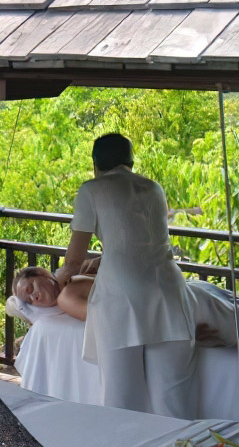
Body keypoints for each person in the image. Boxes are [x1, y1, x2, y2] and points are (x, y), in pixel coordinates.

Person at [53, 133, 196, 416]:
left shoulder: (91, 190)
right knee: (174, 403)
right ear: (130, 161)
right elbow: (138, 242)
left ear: (95, 164)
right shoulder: (154, 188)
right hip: (169, 292)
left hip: (121, 298)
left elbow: (73, 260)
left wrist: (54, 281)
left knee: (121, 402)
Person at [11, 266, 239, 348]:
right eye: (28, 300)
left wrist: (183, 333)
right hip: (191, 291)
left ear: (42, 273)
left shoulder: (68, 296)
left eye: (31, 288)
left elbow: (119, 321)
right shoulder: (79, 274)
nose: (35, 298)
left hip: (184, 308)